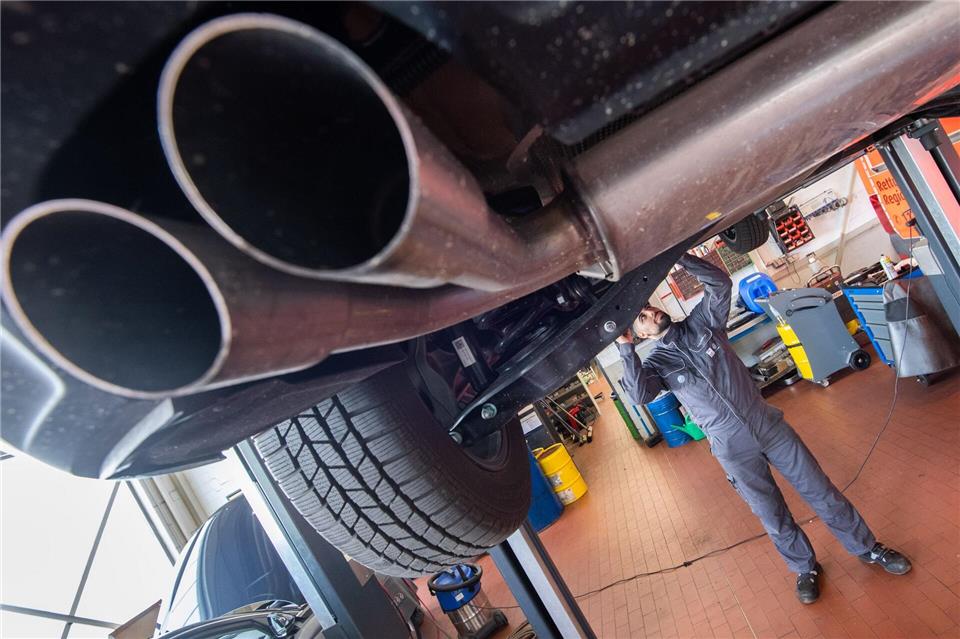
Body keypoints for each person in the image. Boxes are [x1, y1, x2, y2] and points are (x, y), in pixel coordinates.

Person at [617, 253, 911, 604]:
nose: (650, 313)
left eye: (648, 307)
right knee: (771, 513)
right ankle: (805, 567)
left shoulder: (703, 323)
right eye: (642, 318)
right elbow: (638, 394)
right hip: (731, 448)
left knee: (820, 490)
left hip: (768, 425)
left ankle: (867, 547)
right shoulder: (656, 363)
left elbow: (719, 283)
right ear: (640, 333)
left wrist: (679, 257)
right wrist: (625, 349)